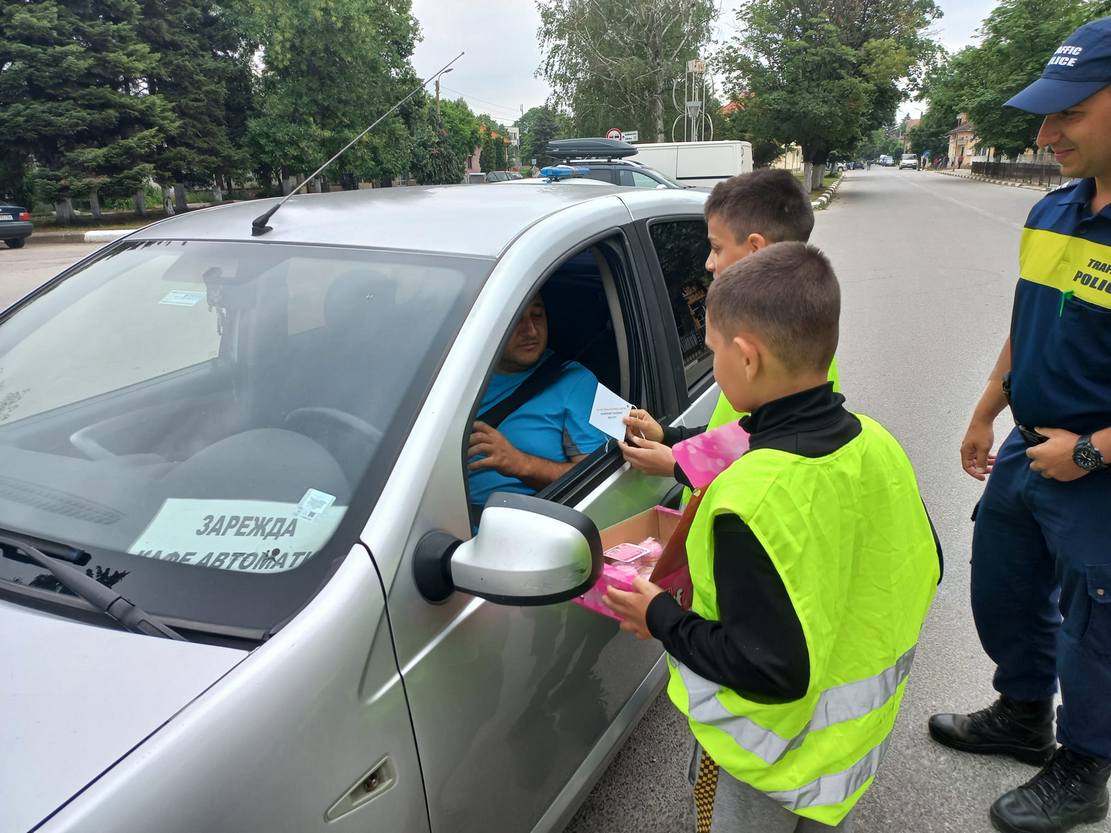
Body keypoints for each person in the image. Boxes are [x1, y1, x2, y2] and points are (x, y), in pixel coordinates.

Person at [604, 243, 942, 833]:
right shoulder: (876, 443)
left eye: (712, 353)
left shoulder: (749, 499)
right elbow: (923, 562)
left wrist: (660, 616)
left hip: (770, 768)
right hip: (847, 754)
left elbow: (770, 670)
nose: (713, 365)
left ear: (747, 357)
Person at [927, 17, 1111, 833]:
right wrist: (984, 407)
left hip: (1093, 458)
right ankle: (1023, 712)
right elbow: (1027, 318)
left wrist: (1090, 449)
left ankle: (1083, 764)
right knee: (1001, 583)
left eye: (1066, 112)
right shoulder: (1053, 211)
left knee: (1095, 617)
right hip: (1028, 441)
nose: (1045, 132)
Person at [620, 168, 839, 484]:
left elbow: (779, 462)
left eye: (717, 248)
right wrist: (668, 435)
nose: (709, 263)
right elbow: (739, 433)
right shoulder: (796, 330)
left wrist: (677, 466)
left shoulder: (788, 349)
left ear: (755, 249)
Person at [467, 293, 605, 512]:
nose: (530, 331)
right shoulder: (459, 381)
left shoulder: (578, 381)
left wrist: (520, 464)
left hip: (529, 529)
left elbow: (602, 479)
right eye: (516, 320)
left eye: (537, 315)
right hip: (442, 532)